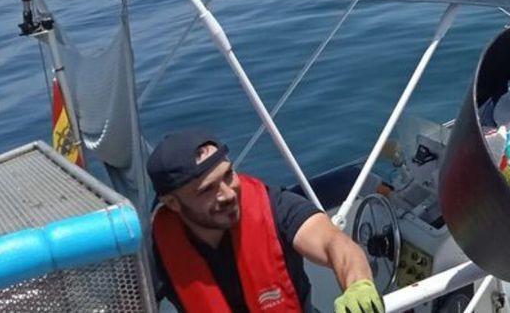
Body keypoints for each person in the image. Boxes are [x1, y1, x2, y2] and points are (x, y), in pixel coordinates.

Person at [147, 129, 383, 313]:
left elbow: (334, 243)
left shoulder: (274, 207)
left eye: (228, 175)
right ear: (172, 203)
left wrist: (357, 284)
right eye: (207, 189)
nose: (228, 194)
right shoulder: (155, 250)